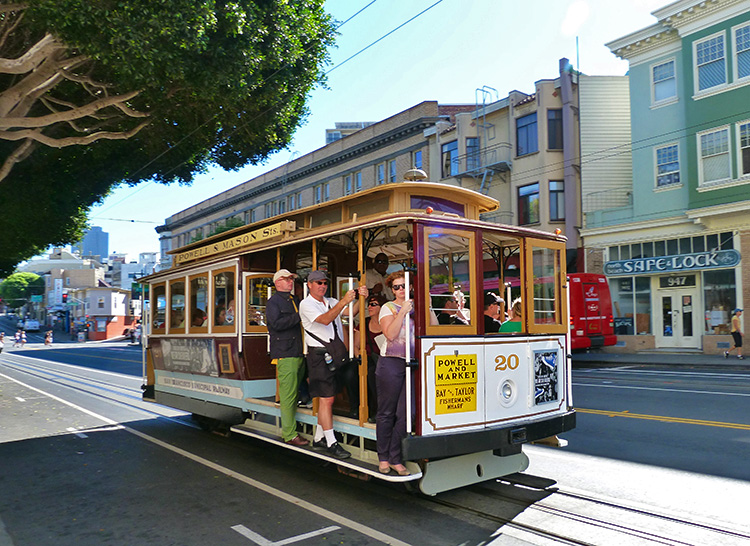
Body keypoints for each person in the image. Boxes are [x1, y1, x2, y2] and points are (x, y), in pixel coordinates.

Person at [299, 270, 368, 459]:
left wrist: (361, 298)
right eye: (318, 283)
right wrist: (344, 301)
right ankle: (331, 442)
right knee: (327, 399)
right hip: (319, 356)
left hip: (333, 354)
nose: (322, 286)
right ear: (310, 285)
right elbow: (326, 319)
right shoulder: (306, 304)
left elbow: (350, 312)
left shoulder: (329, 301)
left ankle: (319, 437)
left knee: (327, 397)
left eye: (324, 283)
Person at [376, 271, 414, 476]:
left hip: (412, 364)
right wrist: (402, 312)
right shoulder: (387, 308)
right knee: (386, 412)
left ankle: (395, 457)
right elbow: (390, 334)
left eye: (404, 286)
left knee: (408, 413)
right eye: (397, 287)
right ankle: (383, 457)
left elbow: (433, 329)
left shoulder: (418, 306)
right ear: (392, 290)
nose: (401, 290)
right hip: (391, 363)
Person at [266, 269, 309, 447]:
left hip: (298, 351)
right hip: (286, 352)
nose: (290, 282)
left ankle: (293, 428)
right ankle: (290, 434)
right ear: (277, 283)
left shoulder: (294, 300)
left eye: (291, 279)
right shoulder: (273, 302)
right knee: (288, 395)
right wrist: (298, 316)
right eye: (286, 279)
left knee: (295, 392)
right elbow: (274, 325)